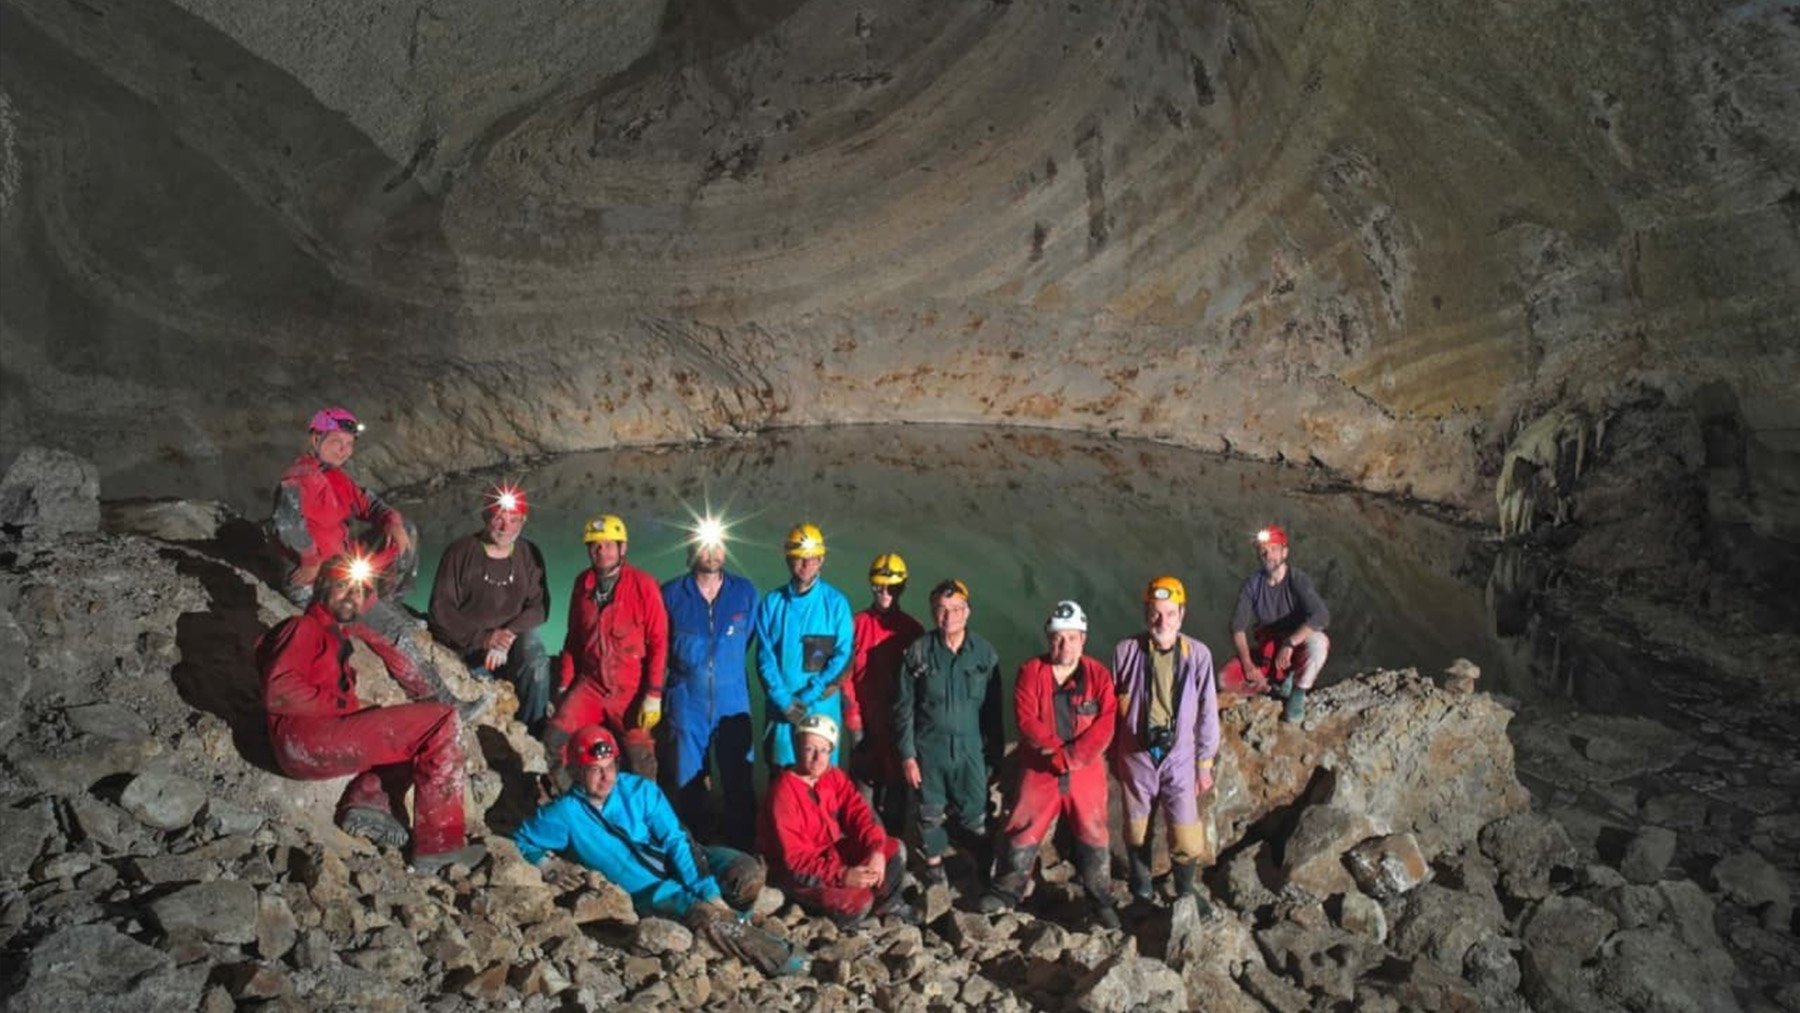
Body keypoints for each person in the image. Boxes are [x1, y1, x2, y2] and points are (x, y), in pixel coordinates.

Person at [515, 726, 806, 978]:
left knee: (747, 874)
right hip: (652, 891)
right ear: (577, 772)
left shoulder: (639, 790)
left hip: (691, 860)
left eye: (610, 766)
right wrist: (546, 865)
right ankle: (781, 957)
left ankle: (737, 918)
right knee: (709, 917)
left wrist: (708, 890)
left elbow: (677, 840)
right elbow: (522, 840)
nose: (606, 777)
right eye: (595, 770)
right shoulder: (566, 814)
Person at [259, 553, 486, 873]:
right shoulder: (302, 627)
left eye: (359, 591)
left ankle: (369, 801)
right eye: (342, 586)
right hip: (307, 739)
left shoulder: (336, 638)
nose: (351, 596)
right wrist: (343, 707)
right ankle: (439, 845)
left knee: (411, 735)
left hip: (310, 743)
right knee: (441, 720)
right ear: (322, 588)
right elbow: (279, 690)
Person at [271, 406, 465, 708]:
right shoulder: (299, 477)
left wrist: (391, 520)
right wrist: (309, 559)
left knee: (404, 531)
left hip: (340, 565)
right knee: (394, 632)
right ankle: (441, 703)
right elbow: (286, 522)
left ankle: (389, 598)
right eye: (337, 442)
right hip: (314, 579)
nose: (344, 451)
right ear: (315, 438)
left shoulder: (335, 478)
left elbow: (368, 503)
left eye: (349, 445)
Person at [982, 600, 1120, 929]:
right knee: (1023, 825)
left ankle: (1100, 897)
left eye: (1071, 638)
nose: (1064, 645)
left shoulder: (1098, 675)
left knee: (1094, 829)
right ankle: (1006, 891)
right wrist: (1055, 753)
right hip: (1041, 767)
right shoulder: (1031, 671)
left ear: (1083, 639)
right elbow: (1027, 719)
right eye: (1057, 638)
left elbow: (1106, 722)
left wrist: (1073, 757)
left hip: (1084, 768)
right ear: (1048, 638)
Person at [1110, 577, 1220, 915]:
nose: (1163, 622)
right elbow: (1111, 706)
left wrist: (1205, 763)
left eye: (1170, 614)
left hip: (1180, 758)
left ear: (1182, 615)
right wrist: (1111, 755)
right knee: (1136, 830)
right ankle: (1141, 889)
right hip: (1136, 756)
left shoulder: (1197, 655)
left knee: (1187, 836)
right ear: (1146, 613)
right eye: (1156, 614)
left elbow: (1208, 711)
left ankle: (1185, 891)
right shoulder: (1125, 651)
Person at [893, 578, 1003, 888]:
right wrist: (908, 756)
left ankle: (980, 871)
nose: (949, 617)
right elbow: (903, 709)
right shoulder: (917, 653)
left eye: (956, 609)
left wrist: (993, 759)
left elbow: (993, 714)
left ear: (967, 612)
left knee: (976, 814)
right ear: (932, 612)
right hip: (930, 747)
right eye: (941, 610)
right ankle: (934, 871)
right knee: (930, 812)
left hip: (970, 749)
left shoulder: (984, 654)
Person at [661, 523, 759, 851]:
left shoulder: (744, 592)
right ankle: (693, 849)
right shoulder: (671, 594)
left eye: (718, 546)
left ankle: (742, 849)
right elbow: (659, 645)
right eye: (704, 546)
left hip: (732, 698)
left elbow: (747, 639)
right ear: (691, 552)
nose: (712, 553)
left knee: (738, 777)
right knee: (687, 779)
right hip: (686, 699)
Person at [761, 715, 912, 927]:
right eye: (809, 749)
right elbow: (795, 861)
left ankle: (886, 905)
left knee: (894, 849)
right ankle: (830, 912)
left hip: (832, 854)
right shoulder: (783, 792)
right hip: (798, 872)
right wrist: (843, 875)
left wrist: (875, 850)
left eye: (824, 750)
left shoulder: (834, 776)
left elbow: (860, 816)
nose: (817, 758)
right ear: (797, 748)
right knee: (857, 903)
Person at [549, 514, 668, 781]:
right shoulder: (583, 585)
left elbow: (659, 641)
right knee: (555, 739)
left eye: (609, 545)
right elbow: (574, 640)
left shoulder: (643, 585)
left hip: (630, 688)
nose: (601, 551)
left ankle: (639, 816)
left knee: (640, 760)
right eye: (595, 545)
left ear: (622, 548)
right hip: (591, 686)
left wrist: (653, 693)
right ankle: (576, 806)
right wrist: (563, 685)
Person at [427, 485, 552, 735]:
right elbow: (441, 609)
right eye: (499, 519)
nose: (506, 528)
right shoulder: (460, 552)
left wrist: (507, 635)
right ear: (485, 517)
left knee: (536, 659)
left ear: (522, 522)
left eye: (513, 520)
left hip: (509, 642)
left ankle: (532, 731)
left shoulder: (528, 553)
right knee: (476, 693)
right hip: (467, 643)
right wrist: (484, 638)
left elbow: (540, 607)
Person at [754, 523, 854, 769]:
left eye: (812, 558)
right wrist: (784, 701)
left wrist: (808, 696)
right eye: (799, 558)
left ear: (821, 560)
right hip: (781, 712)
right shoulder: (772, 603)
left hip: (821, 709)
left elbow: (841, 656)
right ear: (788, 558)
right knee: (783, 778)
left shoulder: (836, 604)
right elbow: (764, 658)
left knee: (823, 779)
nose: (806, 564)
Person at [843, 552, 925, 835]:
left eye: (892, 588)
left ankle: (893, 853)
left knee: (896, 797)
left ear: (902, 588)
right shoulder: (855, 625)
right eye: (880, 587)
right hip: (865, 722)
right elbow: (845, 676)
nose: (885, 593)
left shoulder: (913, 631)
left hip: (899, 726)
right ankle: (863, 847)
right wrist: (854, 722)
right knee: (862, 794)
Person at [1218, 525, 1331, 722]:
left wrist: (1290, 643)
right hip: (1268, 653)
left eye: (1274, 549)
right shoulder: (1253, 585)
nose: (1268, 555)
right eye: (1264, 551)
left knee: (1319, 643)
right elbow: (1238, 627)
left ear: (1285, 552)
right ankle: (1269, 689)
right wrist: (1247, 663)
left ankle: (1297, 692)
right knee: (1225, 679)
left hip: (1294, 648)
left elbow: (1321, 616)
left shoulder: (1297, 580)